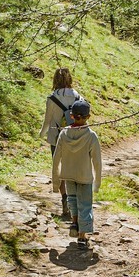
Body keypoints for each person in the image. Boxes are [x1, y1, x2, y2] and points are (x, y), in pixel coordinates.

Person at [52, 98, 102, 248]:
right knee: (85, 205)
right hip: (84, 176)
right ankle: (82, 236)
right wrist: (97, 183)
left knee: (72, 200)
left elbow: (56, 159)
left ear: (71, 116)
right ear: (88, 117)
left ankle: (74, 223)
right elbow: (97, 162)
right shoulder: (91, 136)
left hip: (68, 174)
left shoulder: (64, 133)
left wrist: (55, 182)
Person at [40, 67, 81, 216]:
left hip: (56, 137)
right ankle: (74, 200)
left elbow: (47, 121)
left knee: (60, 169)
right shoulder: (77, 96)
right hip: (75, 137)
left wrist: (41, 134)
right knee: (73, 168)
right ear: (69, 79)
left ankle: (65, 200)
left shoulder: (52, 98)